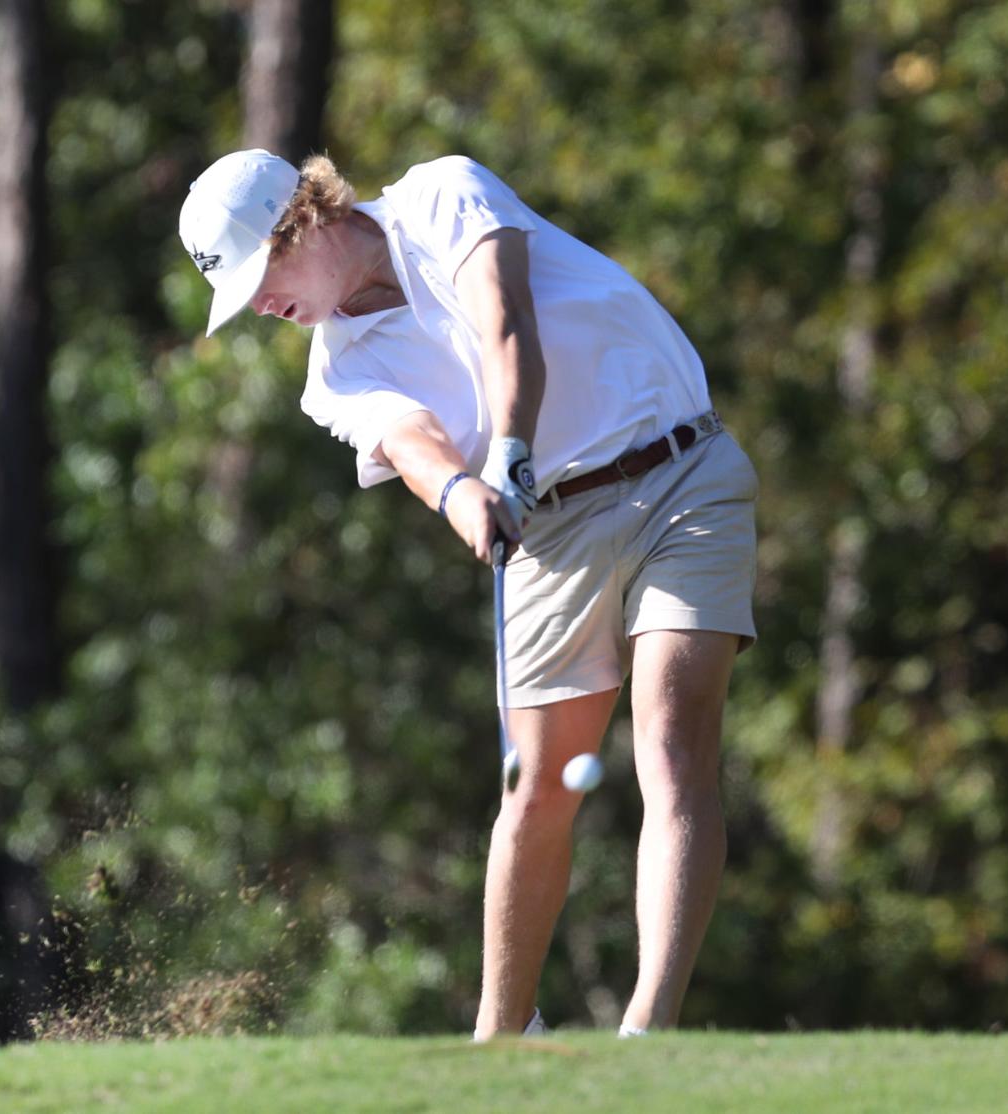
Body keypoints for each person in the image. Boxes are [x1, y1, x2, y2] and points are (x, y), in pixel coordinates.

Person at [178, 148, 758, 1038]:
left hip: (679, 473)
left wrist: (510, 451)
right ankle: (501, 1041)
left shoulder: (442, 194)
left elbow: (503, 320)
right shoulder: (332, 372)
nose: (261, 304)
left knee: (673, 743)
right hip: (547, 533)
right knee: (536, 791)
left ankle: (651, 1036)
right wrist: (461, 492)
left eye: (263, 274)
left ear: (308, 220)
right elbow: (411, 443)